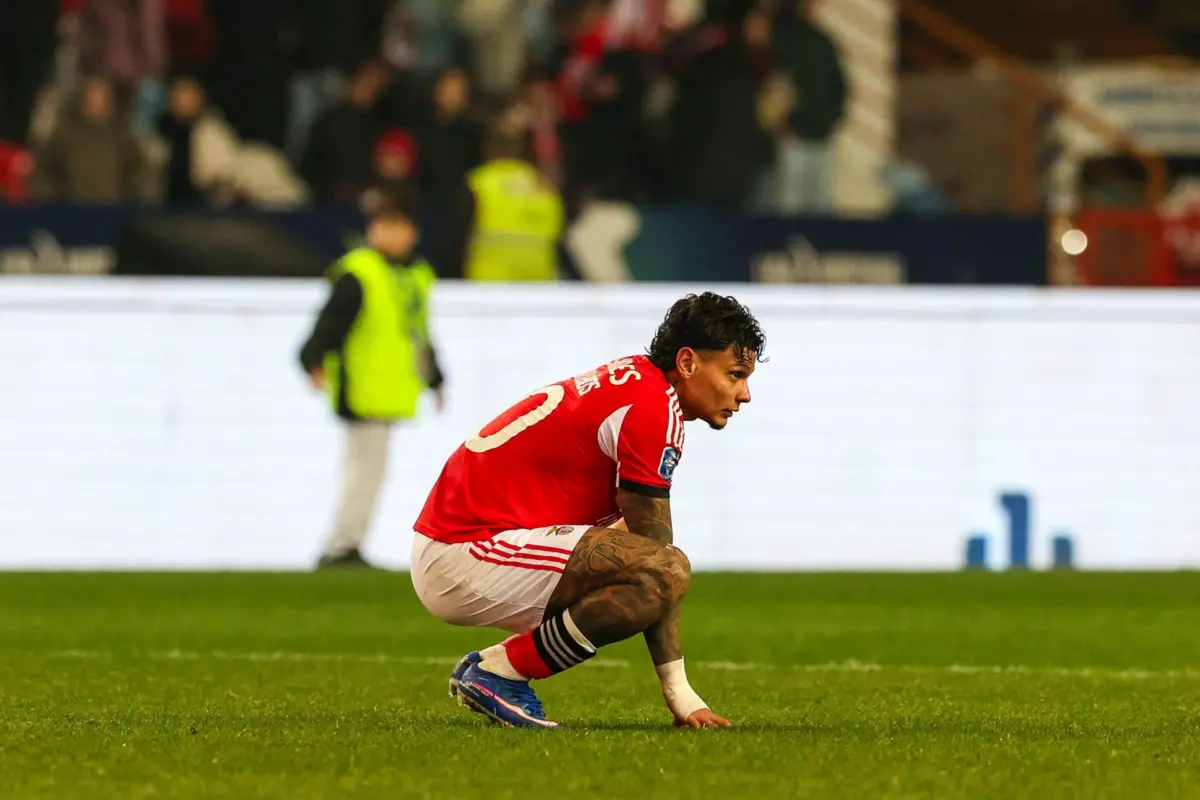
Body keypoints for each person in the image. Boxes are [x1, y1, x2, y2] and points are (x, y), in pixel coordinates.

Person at [410, 292, 765, 728]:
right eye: (735, 374)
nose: (744, 394)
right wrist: (681, 692)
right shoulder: (654, 408)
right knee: (662, 570)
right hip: (465, 549)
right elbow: (660, 567)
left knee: (651, 565)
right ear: (688, 362)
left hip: (461, 542)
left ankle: (495, 666)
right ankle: (501, 672)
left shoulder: (638, 382)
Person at [299, 184, 446, 569]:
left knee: (367, 471)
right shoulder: (359, 274)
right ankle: (341, 544)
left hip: (388, 391)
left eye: (399, 225)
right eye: (385, 225)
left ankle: (347, 541)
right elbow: (329, 324)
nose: (392, 234)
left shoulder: (412, 276)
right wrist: (312, 359)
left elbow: (418, 332)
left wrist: (434, 376)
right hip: (362, 388)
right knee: (363, 471)